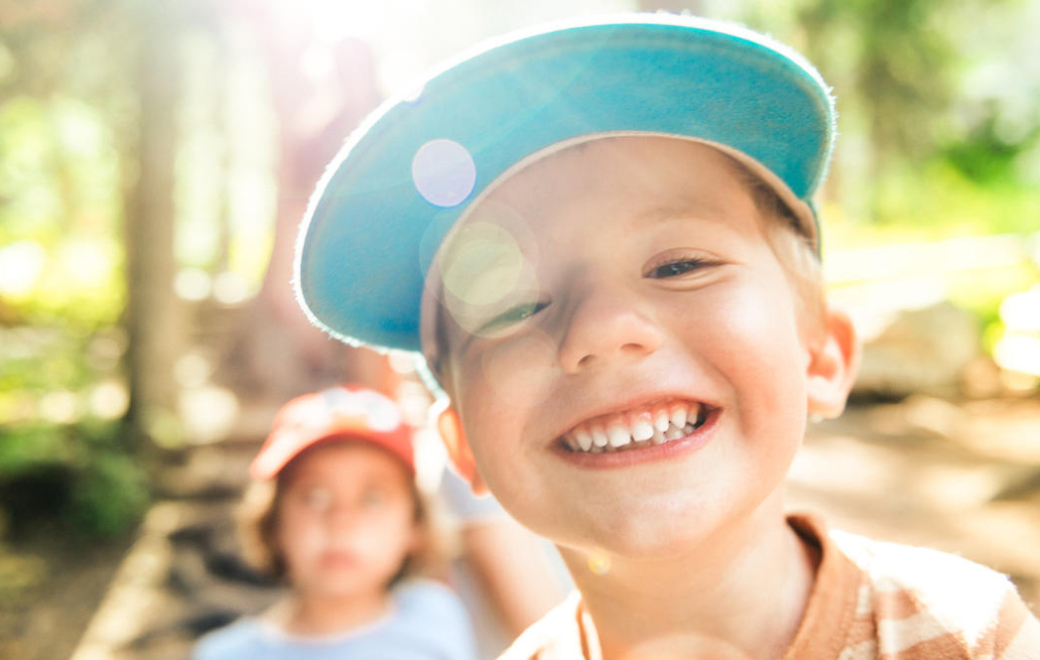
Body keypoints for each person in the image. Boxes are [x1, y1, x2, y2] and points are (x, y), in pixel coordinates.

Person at [292, 14, 1040, 660]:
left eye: (681, 264)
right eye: (513, 308)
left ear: (820, 354)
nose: (601, 330)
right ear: (462, 450)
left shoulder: (964, 635)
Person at [192, 385, 477, 660]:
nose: (341, 521)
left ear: (415, 525)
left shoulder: (437, 617)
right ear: (273, 521)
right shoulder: (226, 654)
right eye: (314, 496)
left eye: (372, 499)